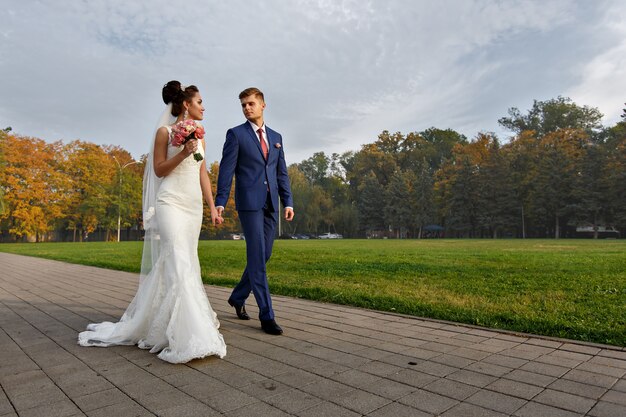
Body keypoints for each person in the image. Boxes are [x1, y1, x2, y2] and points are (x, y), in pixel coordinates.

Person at [78, 81, 227, 363]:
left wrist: (212, 207)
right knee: (178, 258)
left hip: (193, 204)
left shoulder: (202, 135)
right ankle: (191, 333)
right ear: (186, 104)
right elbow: (158, 171)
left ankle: (169, 318)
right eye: (200, 102)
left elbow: (202, 173)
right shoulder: (164, 132)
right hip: (170, 201)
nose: (203, 107)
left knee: (187, 261)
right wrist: (182, 151)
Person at [216, 87, 294, 335]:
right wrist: (220, 201)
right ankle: (266, 315)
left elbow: (281, 172)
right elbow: (226, 170)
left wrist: (288, 201)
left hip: (271, 203)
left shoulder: (276, 136)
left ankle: (238, 297)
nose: (246, 108)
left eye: (250, 104)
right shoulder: (236, 135)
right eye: (243, 105)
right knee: (257, 257)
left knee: (265, 254)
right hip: (249, 203)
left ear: (263, 105)